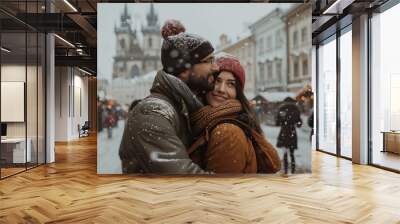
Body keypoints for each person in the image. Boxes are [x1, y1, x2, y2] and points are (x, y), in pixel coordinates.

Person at [119, 20, 219, 174]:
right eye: (208, 61)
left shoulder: (182, 104)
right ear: (184, 70)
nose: (216, 67)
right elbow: (184, 180)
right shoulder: (152, 113)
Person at [189, 54, 281, 173]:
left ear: (237, 92)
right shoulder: (204, 121)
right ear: (208, 83)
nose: (221, 89)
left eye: (230, 84)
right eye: (217, 81)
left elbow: (220, 189)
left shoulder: (227, 132)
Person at [276, 97, 302, 174]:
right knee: (292, 152)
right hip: (292, 132)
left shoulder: (282, 109)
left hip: (284, 131)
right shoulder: (296, 109)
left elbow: (277, 122)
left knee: (285, 152)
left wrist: (283, 120)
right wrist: (295, 122)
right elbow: (299, 123)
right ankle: (293, 169)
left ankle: (286, 170)